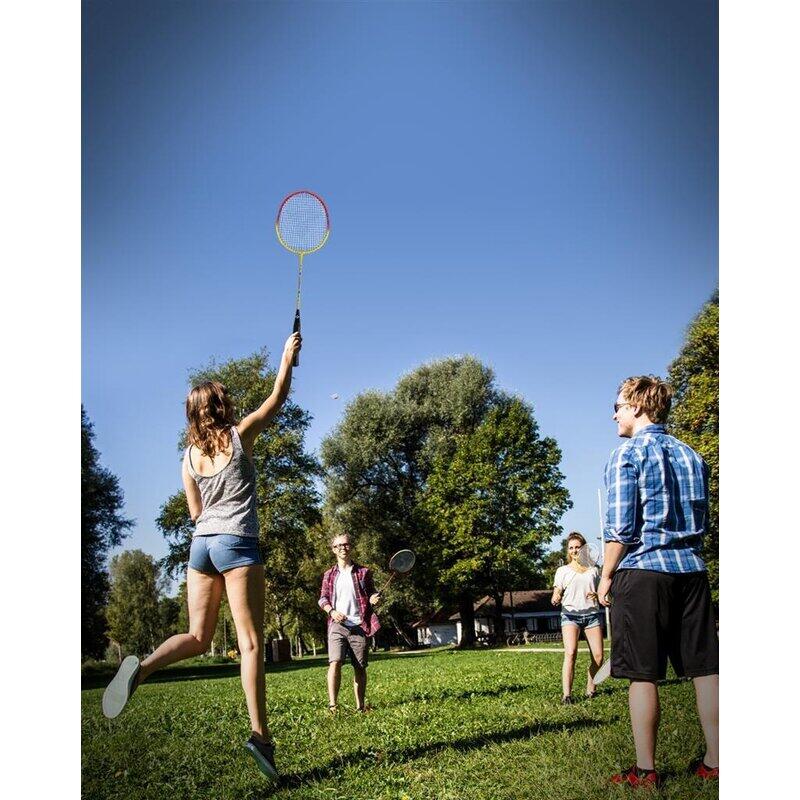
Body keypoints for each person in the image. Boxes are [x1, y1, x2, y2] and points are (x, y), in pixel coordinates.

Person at [101, 332, 302, 782]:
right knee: (250, 643)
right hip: (236, 541)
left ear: (192, 414)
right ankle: (260, 736)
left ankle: (144, 668)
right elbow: (278, 398)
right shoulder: (240, 435)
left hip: (201, 546)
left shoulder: (188, 457)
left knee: (197, 635)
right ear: (220, 408)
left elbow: (194, 512)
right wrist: (286, 358)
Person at [598, 375, 719, 788]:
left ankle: (646, 770)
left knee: (643, 675)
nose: (613, 413)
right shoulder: (691, 455)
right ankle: (717, 760)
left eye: (617, 406)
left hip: (644, 571)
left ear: (636, 406)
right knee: (706, 670)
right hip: (692, 570)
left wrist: (605, 576)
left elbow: (621, 531)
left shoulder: (626, 456)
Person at [318, 533, 381, 712]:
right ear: (333, 550)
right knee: (335, 662)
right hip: (337, 625)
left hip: (359, 626)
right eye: (338, 546)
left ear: (350, 547)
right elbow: (322, 598)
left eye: (345, 545)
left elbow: (371, 595)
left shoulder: (363, 572)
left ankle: (360, 707)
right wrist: (332, 611)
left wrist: (374, 599)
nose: (342, 548)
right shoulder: (329, 574)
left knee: (359, 667)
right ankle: (333, 706)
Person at [551, 532, 605, 704]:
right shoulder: (562, 571)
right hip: (570, 615)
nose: (574, 550)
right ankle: (567, 695)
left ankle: (591, 688)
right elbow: (557, 591)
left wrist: (598, 595)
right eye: (571, 547)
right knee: (571, 653)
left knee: (598, 657)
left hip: (592, 615)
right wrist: (556, 597)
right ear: (568, 550)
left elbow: (605, 594)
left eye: (577, 547)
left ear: (584, 549)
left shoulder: (594, 570)